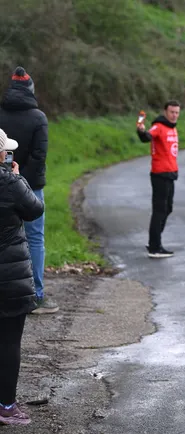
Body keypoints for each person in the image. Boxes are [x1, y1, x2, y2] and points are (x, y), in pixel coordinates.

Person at [0, 66, 57, 314]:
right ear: (31, 90)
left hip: (1, 185)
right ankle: (37, 295)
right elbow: (39, 156)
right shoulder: (38, 118)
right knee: (34, 239)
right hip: (30, 188)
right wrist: (22, 184)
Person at [0, 128, 45, 426]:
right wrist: (19, 178)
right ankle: (6, 406)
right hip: (9, 276)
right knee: (8, 342)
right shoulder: (9, 182)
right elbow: (34, 210)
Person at [137, 100, 181, 259]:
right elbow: (147, 136)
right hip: (160, 174)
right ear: (165, 112)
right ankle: (155, 247)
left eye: (177, 112)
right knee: (159, 210)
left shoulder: (173, 128)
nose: (174, 115)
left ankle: (154, 241)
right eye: (171, 112)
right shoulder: (159, 126)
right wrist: (141, 131)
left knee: (168, 208)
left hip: (170, 174)